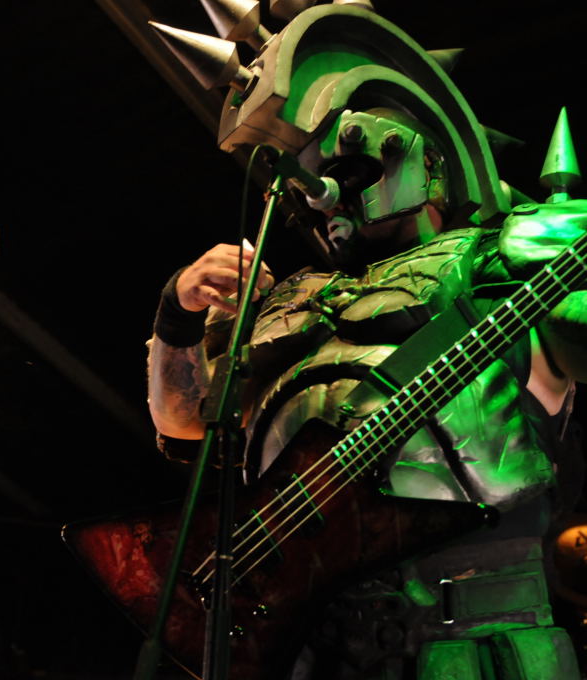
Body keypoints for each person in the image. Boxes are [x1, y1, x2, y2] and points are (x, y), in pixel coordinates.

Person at [145, 3, 587, 678]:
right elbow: (183, 426)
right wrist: (176, 313)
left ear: (422, 154)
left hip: (472, 638)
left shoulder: (506, 254)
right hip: (307, 645)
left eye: (346, 167)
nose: (322, 196)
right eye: (305, 180)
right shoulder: (289, 301)